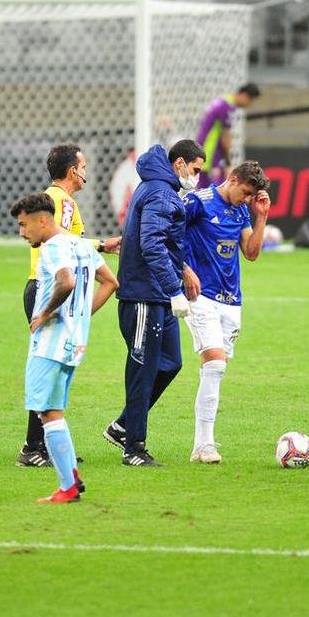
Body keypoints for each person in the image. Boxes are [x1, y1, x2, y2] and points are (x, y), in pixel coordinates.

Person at [16, 144, 123, 469]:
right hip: (47, 287)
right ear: (72, 170)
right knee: (47, 367)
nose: (86, 172)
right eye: (84, 166)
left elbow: (70, 243)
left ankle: (46, 444)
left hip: (49, 287)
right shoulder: (60, 202)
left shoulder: (60, 200)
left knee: (53, 367)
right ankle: (33, 446)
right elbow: (63, 242)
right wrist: (103, 245)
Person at [103, 139, 205, 467]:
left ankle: (123, 426)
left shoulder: (161, 189)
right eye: (195, 169)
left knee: (170, 363)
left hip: (156, 294)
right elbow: (152, 244)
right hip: (144, 295)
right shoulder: (161, 192)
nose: (197, 177)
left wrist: (179, 276)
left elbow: (165, 244)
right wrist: (173, 289)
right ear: (179, 164)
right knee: (143, 369)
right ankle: (134, 447)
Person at [184, 160, 272, 464]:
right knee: (215, 366)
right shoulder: (199, 202)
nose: (247, 199)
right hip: (201, 295)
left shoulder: (241, 211)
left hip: (231, 300)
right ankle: (203, 444)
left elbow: (251, 253)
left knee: (216, 371)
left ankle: (202, 444)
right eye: (246, 192)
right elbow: (171, 234)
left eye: (252, 196)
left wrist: (261, 217)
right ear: (232, 179)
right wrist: (184, 269)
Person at [196, 82, 260, 188]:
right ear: (245, 96)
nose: (249, 105)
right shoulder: (227, 107)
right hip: (211, 153)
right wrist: (228, 163)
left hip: (201, 148)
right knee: (212, 192)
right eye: (250, 101)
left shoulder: (221, 101)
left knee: (202, 190)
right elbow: (225, 137)